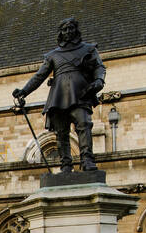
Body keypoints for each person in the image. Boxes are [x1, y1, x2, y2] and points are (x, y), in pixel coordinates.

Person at [12, 16, 106, 172]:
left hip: (81, 93)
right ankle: (66, 165)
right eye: (65, 29)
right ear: (61, 33)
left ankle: (87, 160)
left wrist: (99, 80)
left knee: (84, 125)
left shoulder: (88, 49)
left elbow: (99, 67)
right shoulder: (53, 55)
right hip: (59, 96)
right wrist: (24, 91)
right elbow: (39, 76)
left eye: (71, 28)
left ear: (76, 30)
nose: (68, 32)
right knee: (61, 133)